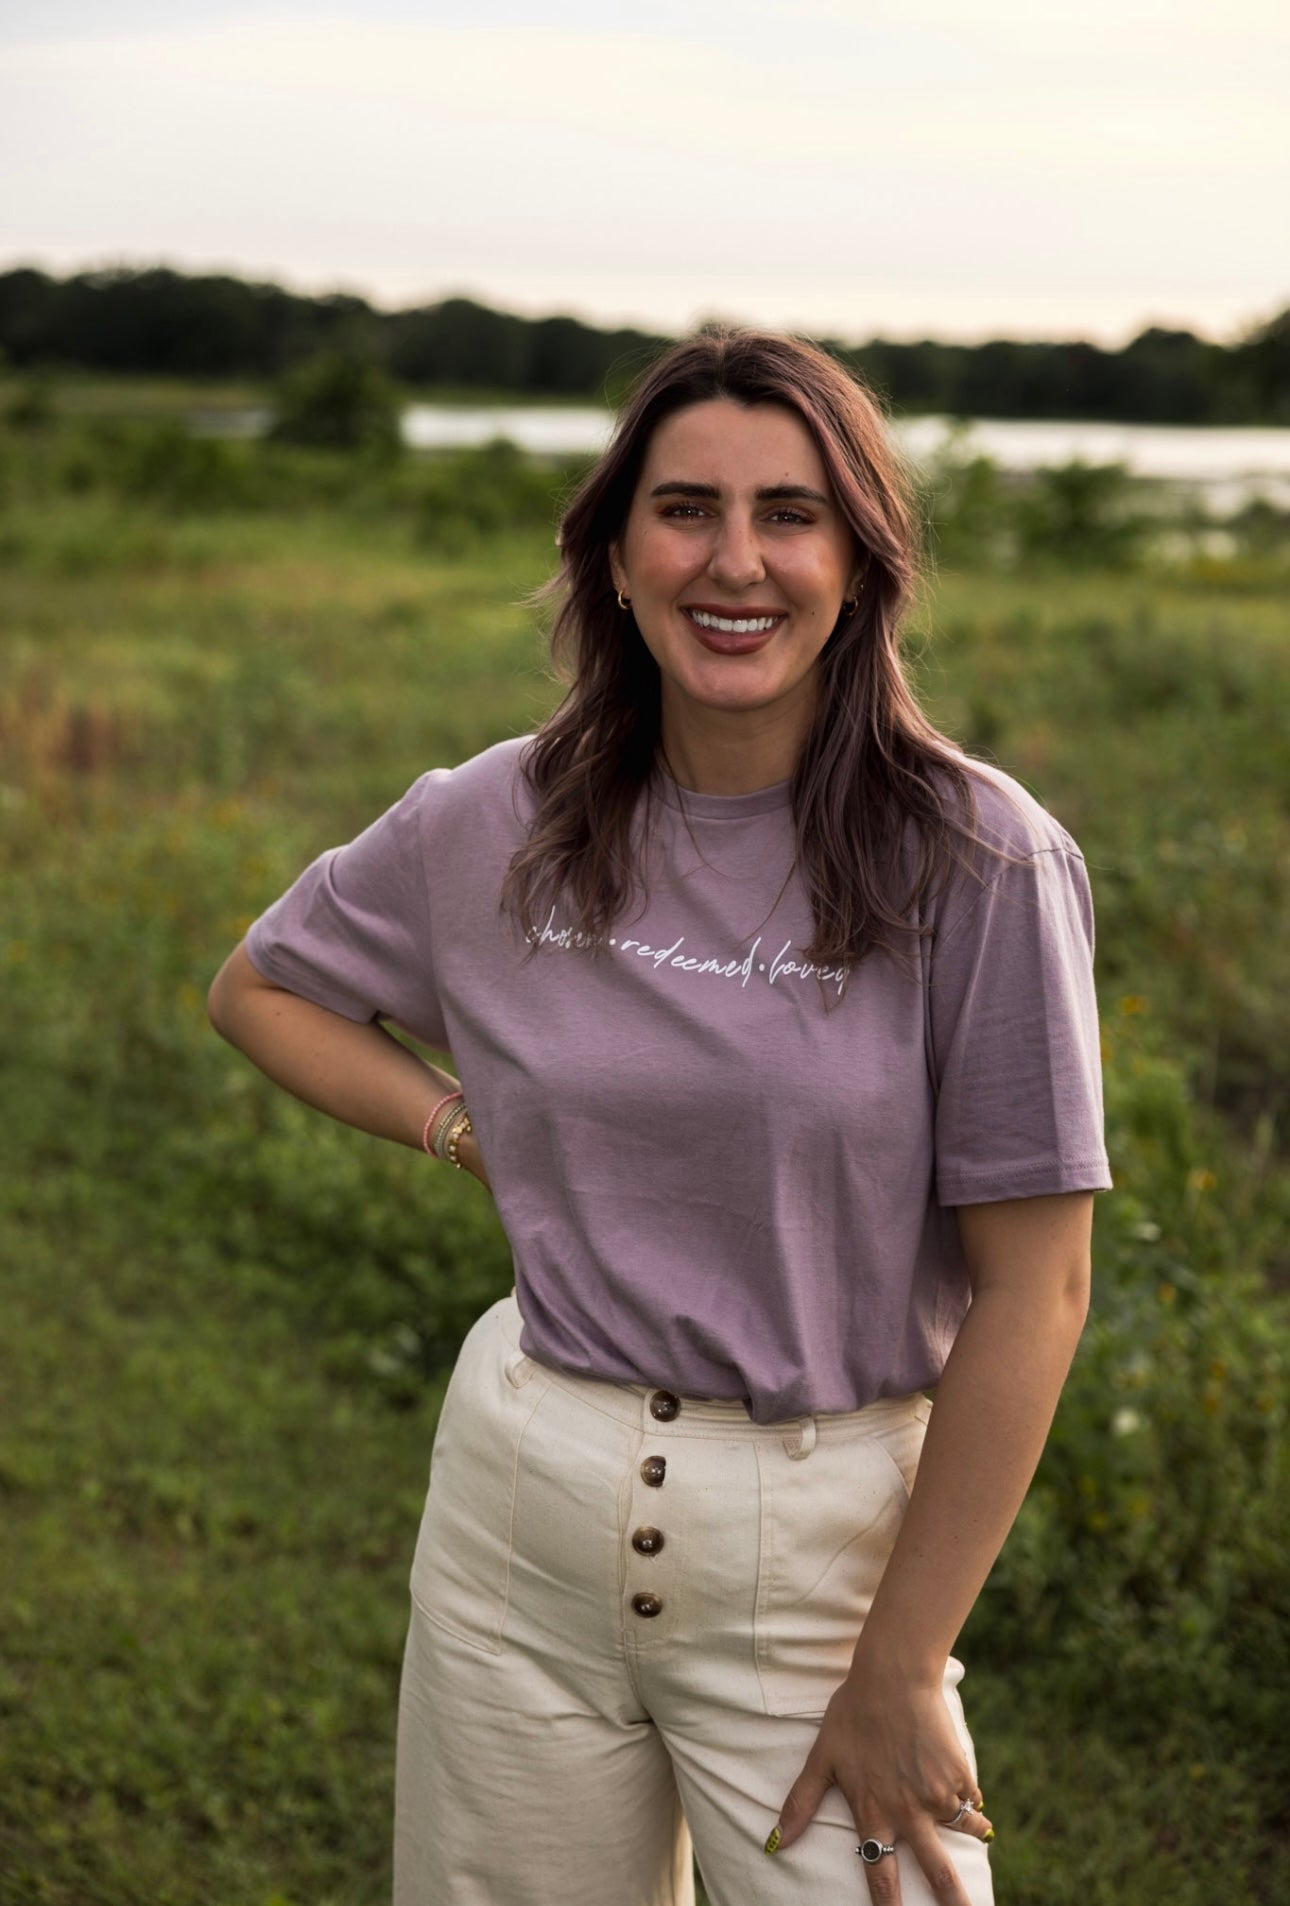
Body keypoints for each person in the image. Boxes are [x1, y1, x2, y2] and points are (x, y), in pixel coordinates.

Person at [207, 328, 1111, 1906]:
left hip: (821, 1560)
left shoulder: (978, 858)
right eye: (685, 508)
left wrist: (903, 1659)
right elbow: (260, 988)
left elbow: (1038, 1287)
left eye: (789, 514)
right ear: (616, 555)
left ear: (858, 561)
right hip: (516, 1506)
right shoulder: (495, 814)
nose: (734, 560)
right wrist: (458, 1122)